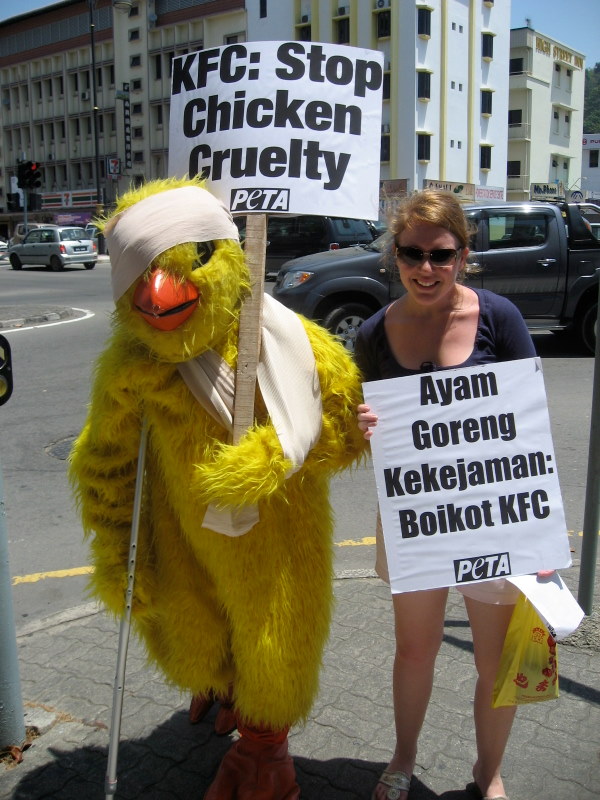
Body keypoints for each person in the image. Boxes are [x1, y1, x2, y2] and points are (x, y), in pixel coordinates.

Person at [355, 189, 547, 800]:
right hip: (416, 517)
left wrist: (539, 536)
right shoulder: (373, 333)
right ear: (394, 255)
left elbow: (530, 423)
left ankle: (489, 772)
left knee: (495, 661)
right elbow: (370, 433)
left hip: (493, 516)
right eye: (412, 253)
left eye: (441, 254)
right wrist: (361, 425)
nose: (426, 267)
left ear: (463, 254)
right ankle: (403, 757)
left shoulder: (498, 318)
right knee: (415, 650)